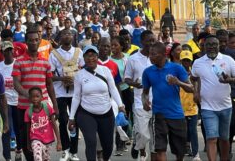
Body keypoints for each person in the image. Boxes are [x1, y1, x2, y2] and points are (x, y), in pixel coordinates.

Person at [68, 45, 125, 161]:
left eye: (93, 55)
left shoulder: (105, 71)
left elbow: (113, 89)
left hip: (106, 113)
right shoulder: (79, 75)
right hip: (86, 113)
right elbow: (76, 97)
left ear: (97, 56)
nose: (90, 58)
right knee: (91, 141)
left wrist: (120, 105)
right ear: (83, 58)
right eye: (87, 56)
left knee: (108, 146)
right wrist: (71, 117)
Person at [142, 42, 194, 161]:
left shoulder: (177, 68)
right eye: (149, 54)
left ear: (163, 54)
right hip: (158, 114)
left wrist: (178, 82)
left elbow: (191, 88)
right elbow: (145, 92)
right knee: (160, 149)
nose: (150, 57)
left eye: (153, 54)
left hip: (177, 114)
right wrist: (145, 101)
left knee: (179, 152)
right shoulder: (148, 72)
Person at [12, 30, 59, 161]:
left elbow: (49, 85)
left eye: (36, 40)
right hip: (24, 107)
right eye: (30, 40)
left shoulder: (45, 62)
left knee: (42, 138)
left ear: (39, 41)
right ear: (26, 42)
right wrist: (28, 94)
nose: (33, 42)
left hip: (42, 108)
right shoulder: (19, 62)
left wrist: (55, 105)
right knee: (25, 138)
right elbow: (16, 83)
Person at [191, 35, 235, 161]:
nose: (211, 47)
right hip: (207, 107)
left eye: (214, 44)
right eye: (208, 44)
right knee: (211, 138)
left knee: (224, 139)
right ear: (204, 46)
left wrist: (229, 80)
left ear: (219, 45)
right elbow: (194, 78)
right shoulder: (198, 63)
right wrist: (195, 92)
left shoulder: (228, 60)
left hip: (226, 106)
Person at [49, 29, 84, 161]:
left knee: (75, 121)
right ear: (60, 37)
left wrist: (76, 77)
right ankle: (65, 150)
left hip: (76, 92)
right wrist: (62, 79)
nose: (67, 36)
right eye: (64, 34)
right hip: (60, 93)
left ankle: (74, 151)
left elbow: (85, 69)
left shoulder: (78, 52)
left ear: (73, 37)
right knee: (63, 121)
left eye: (69, 34)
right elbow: (50, 76)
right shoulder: (54, 54)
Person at [124, 30, 156, 160]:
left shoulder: (157, 58)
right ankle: (141, 148)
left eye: (153, 40)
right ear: (142, 42)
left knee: (155, 137)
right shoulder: (133, 59)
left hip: (157, 102)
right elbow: (126, 78)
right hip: (139, 101)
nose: (152, 43)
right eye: (149, 40)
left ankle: (151, 154)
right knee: (143, 134)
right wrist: (135, 84)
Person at [0, 41, 21, 161]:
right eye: (6, 50)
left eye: (11, 49)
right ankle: (7, 157)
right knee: (6, 128)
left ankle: (19, 150)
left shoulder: (18, 63)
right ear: (2, 52)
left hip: (18, 101)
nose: (9, 52)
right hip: (4, 101)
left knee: (19, 128)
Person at [24, 87, 62, 160]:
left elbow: (54, 124)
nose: (35, 99)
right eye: (32, 97)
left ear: (42, 97)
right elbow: (28, 128)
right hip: (35, 138)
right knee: (37, 157)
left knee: (45, 159)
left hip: (48, 138)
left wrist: (59, 141)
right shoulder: (28, 112)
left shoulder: (47, 108)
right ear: (29, 98)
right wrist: (28, 143)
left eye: (37, 96)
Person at [178, 50, 201, 160]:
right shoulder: (176, 74)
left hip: (192, 108)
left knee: (193, 131)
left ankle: (196, 154)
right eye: (184, 60)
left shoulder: (194, 75)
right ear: (181, 61)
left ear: (191, 61)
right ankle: (181, 154)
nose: (186, 63)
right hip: (179, 108)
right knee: (181, 133)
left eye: (188, 60)